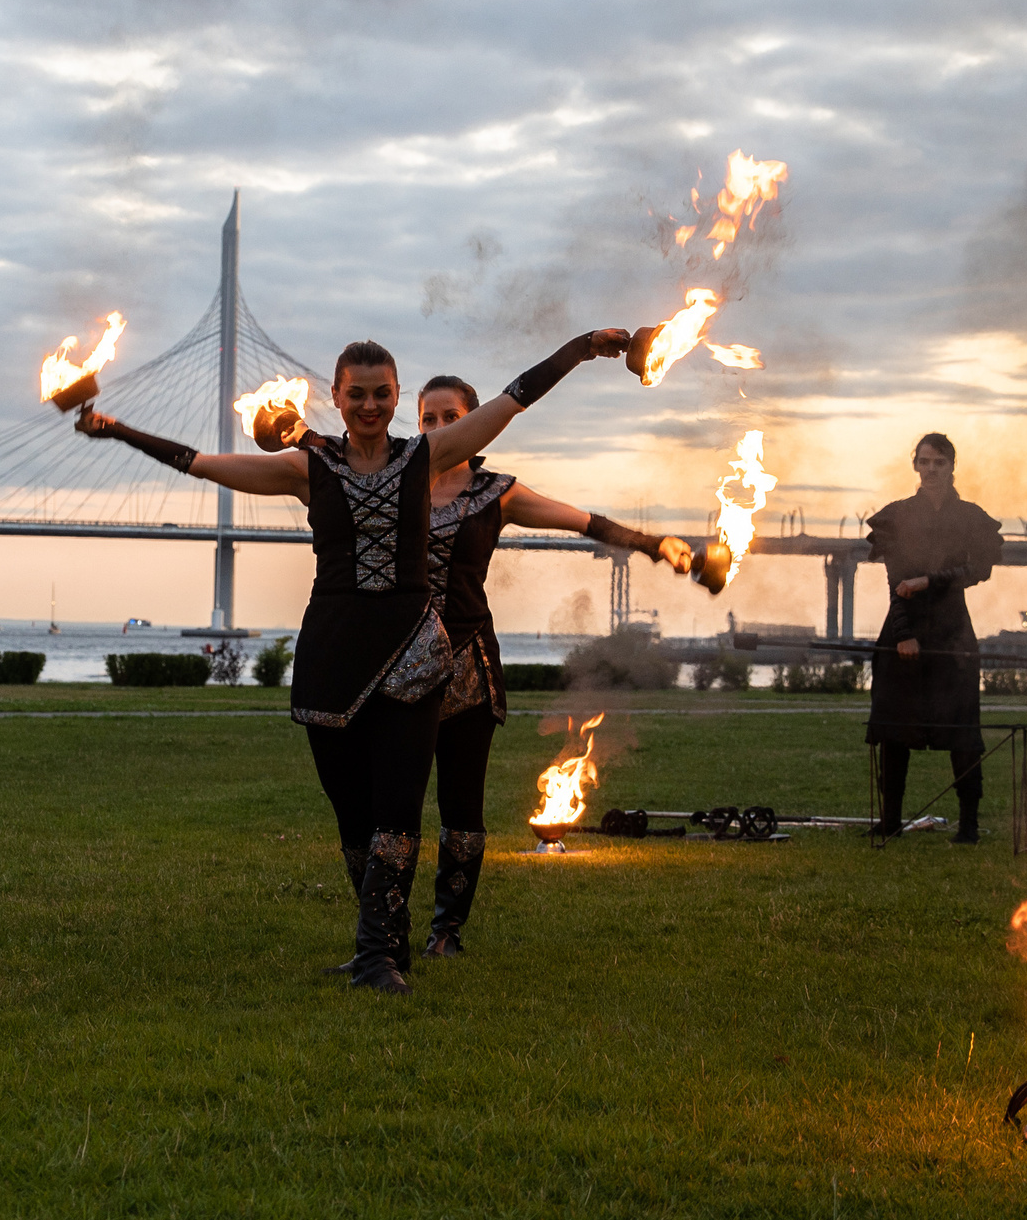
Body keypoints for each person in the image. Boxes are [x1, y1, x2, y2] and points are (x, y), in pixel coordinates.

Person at [75, 328, 633, 993]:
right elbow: (198, 462)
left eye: (382, 394)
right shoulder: (305, 467)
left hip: (415, 655)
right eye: (357, 394)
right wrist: (116, 430)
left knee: (397, 808)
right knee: (352, 816)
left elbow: (512, 400)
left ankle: (377, 958)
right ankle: (384, 942)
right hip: (332, 654)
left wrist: (582, 347)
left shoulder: (424, 458)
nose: (370, 405)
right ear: (336, 398)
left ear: (396, 397)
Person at [410, 375, 693, 958]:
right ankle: (383, 933)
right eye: (428, 420)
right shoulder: (392, 484)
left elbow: (582, 521)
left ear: (474, 422)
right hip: (398, 668)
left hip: (468, 665)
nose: (440, 429)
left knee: (461, 806)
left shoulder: (497, 493)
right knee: (392, 807)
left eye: (451, 417)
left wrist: (649, 542)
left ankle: (446, 931)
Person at [866, 432, 1005, 843]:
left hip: (952, 633)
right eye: (924, 462)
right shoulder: (898, 516)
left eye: (939, 463)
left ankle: (969, 825)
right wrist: (904, 635)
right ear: (915, 465)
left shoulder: (971, 519)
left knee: (963, 730)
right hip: (903, 629)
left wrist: (928, 579)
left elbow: (976, 571)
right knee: (894, 730)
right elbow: (895, 581)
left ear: (951, 467)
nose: (931, 470)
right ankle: (890, 821)